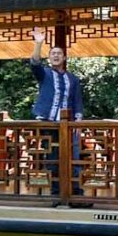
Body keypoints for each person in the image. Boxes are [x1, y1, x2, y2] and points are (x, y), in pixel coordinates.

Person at [28, 27, 83, 199]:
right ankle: (56, 195)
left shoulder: (72, 79)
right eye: (53, 54)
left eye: (59, 53)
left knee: (73, 160)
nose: (56, 56)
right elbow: (35, 63)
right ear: (50, 58)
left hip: (69, 125)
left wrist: (79, 119)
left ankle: (76, 195)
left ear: (64, 58)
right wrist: (38, 43)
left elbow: (77, 101)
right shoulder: (44, 74)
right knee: (53, 160)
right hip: (49, 123)